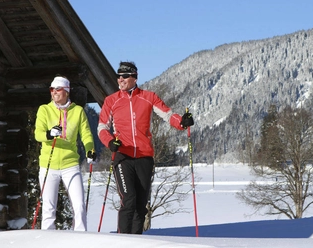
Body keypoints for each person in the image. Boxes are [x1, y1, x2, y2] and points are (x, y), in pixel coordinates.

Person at [97, 61, 194, 234]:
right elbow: (102, 127)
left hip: (144, 157)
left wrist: (182, 122)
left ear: (134, 77)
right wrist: (110, 142)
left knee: (141, 205)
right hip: (122, 156)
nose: (121, 79)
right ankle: (122, 242)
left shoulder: (148, 97)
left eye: (125, 76)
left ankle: (136, 241)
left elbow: (168, 115)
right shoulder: (111, 100)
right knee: (129, 200)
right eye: (119, 76)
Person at [34, 75, 96, 231]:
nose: (54, 92)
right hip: (49, 165)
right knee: (48, 208)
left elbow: (86, 134)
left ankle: (81, 240)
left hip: (70, 164)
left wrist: (90, 151)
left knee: (79, 205)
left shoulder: (78, 111)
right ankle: (48, 240)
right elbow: (38, 134)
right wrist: (49, 134)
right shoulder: (44, 109)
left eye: (58, 89)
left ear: (67, 92)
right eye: (52, 89)